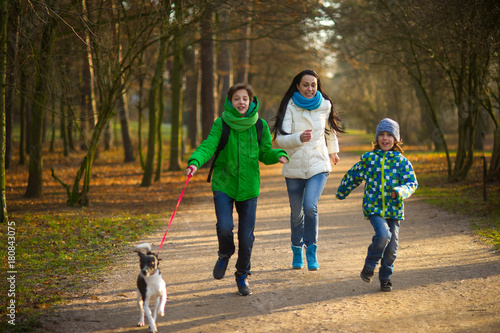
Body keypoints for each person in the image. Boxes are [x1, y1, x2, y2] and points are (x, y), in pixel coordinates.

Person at [186, 83, 288, 296]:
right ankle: (224, 253)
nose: (241, 102)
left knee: (247, 237)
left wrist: (277, 155)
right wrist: (195, 162)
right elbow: (209, 145)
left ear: (251, 101)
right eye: (237, 99)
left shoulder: (259, 125)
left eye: (245, 98)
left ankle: (242, 274)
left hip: (249, 187)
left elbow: (265, 152)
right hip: (224, 183)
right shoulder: (221, 124)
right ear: (230, 102)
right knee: (224, 227)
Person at [271, 69, 344, 271]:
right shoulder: (290, 106)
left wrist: (333, 151)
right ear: (298, 86)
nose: (310, 88)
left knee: (310, 206)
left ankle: (311, 250)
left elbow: (329, 131)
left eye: (313, 85)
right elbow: (281, 139)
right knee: (296, 214)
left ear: (317, 86)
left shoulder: (325, 105)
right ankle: (296, 249)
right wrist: (298, 138)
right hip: (294, 165)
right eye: (306, 84)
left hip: (318, 164)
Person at [336, 118, 418, 292]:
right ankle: (370, 263)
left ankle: (385, 277)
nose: (385, 138)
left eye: (389, 135)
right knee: (383, 235)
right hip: (374, 207)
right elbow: (354, 175)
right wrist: (342, 191)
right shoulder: (369, 159)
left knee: (392, 248)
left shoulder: (402, 162)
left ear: (396, 139)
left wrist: (400, 191)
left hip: (394, 209)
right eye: (381, 134)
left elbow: (412, 183)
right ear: (376, 138)